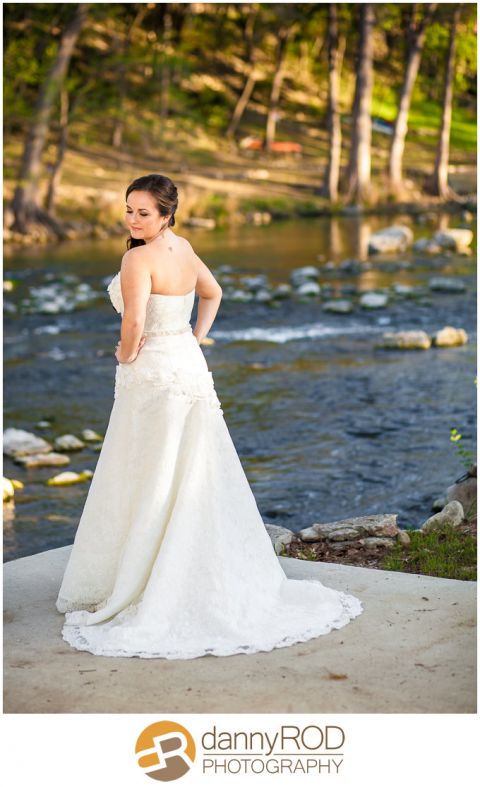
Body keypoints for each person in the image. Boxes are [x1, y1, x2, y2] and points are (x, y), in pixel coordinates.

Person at [56, 173, 363, 659]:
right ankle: (182, 565)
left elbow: (134, 323)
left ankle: (148, 574)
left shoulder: (136, 258)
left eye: (143, 212)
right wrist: (194, 339)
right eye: (128, 210)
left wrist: (124, 353)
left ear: (165, 215)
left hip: (152, 374)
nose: (133, 219)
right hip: (187, 367)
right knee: (191, 469)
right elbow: (213, 293)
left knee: (149, 470)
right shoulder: (183, 248)